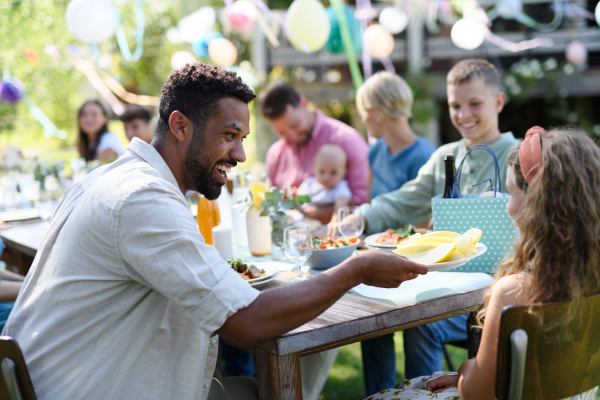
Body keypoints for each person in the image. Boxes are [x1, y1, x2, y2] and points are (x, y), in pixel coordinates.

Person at [3, 62, 428, 400]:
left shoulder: (114, 179)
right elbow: (245, 325)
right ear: (180, 126)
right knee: (279, 390)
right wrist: (355, 270)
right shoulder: (140, 199)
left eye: (243, 138)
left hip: (69, 380)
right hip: (92, 388)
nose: (241, 154)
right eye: (229, 135)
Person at [363, 127, 600, 400]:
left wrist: (467, 367)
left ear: (539, 204)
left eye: (510, 195)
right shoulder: (589, 279)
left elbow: (478, 393)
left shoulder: (515, 291)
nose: (507, 208)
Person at [343, 59, 519, 396]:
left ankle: (425, 393)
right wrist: (360, 217)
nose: (463, 113)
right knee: (376, 309)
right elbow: (405, 199)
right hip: (448, 284)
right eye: (455, 105)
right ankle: (387, 393)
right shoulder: (445, 156)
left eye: (474, 103)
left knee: (421, 323)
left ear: (498, 102)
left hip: (496, 293)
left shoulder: (516, 154)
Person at [260, 82, 370, 224]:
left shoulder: (347, 140)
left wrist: (305, 214)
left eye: (295, 124)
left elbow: (363, 201)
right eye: (281, 132)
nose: (292, 136)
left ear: (304, 103)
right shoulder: (276, 154)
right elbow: (274, 204)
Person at [356, 71, 435, 201]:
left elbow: (423, 215)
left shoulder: (423, 155)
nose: (363, 121)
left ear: (376, 112)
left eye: (364, 112)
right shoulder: (376, 150)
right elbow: (369, 206)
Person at [298, 144, 352, 222]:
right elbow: (298, 201)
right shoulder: (308, 184)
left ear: (343, 174)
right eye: (322, 172)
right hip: (304, 222)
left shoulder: (340, 187)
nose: (326, 177)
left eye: (333, 173)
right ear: (314, 169)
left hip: (326, 224)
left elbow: (341, 205)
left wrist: (335, 222)